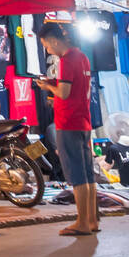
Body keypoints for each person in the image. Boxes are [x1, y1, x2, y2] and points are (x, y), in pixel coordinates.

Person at [36, 22, 98, 237]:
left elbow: (63, 92)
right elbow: (74, 90)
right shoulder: (82, 57)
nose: (47, 50)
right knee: (88, 174)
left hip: (69, 124)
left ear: (54, 41)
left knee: (78, 176)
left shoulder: (66, 60)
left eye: (46, 45)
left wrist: (47, 86)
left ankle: (81, 222)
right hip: (83, 121)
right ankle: (91, 220)